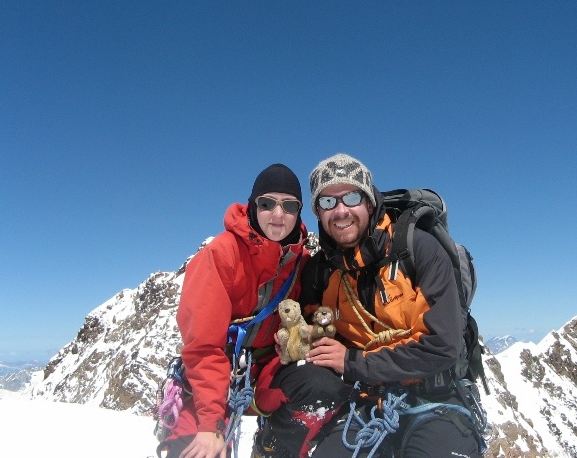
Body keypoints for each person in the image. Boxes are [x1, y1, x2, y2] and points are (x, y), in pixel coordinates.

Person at [256, 154, 482, 458]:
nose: (340, 211)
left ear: (370, 203)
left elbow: (443, 345)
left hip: (433, 399)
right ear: (318, 214)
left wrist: (353, 363)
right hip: (360, 403)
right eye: (327, 203)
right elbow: (309, 334)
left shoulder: (418, 250)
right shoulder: (318, 272)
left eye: (351, 197)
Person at [160, 163, 312, 458]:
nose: (278, 215)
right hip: (216, 373)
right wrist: (209, 424)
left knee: (318, 383)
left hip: (266, 371)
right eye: (267, 204)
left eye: (289, 205)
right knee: (196, 450)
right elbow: (204, 345)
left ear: (299, 212)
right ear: (253, 206)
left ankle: (273, 446)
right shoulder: (220, 254)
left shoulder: (302, 261)